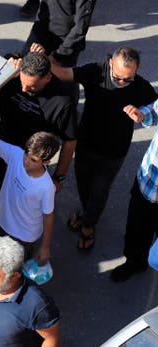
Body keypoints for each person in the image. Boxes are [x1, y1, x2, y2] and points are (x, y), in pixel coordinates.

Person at [51, 47, 157, 250]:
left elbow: (155, 107)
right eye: (118, 77)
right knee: (83, 184)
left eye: (128, 79)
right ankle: (86, 211)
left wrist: (142, 114)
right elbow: (66, 74)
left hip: (113, 153)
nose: (122, 82)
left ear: (136, 70)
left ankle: (89, 225)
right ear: (110, 63)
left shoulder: (141, 87)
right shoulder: (95, 72)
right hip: (86, 144)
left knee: (99, 191)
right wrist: (47, 61)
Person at [0, 52, 77, 246]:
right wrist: (6, 77)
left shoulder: (62, 101)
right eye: (22, 82)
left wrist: (59, 176)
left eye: (31, 86)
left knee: (18, 202)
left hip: (29, 163)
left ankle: (10, 234)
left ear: (47, 77)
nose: (24, 88)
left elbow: (70, 141)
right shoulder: (13, 79)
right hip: (1, 146)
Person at [0, 104, 60, 262]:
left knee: (12, 272)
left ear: (47, 161)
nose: (26, 162)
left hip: (24, 238)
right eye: (27, 155)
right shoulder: (15, 154)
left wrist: (45, 246)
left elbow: (48, 217)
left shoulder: (46, 187)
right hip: (1, 223)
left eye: (34, 160)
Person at [110, 97, 158, 282]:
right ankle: (134, 263)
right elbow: (153, 112)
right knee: (137, 229)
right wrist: (141, 115)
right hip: (148, 183)